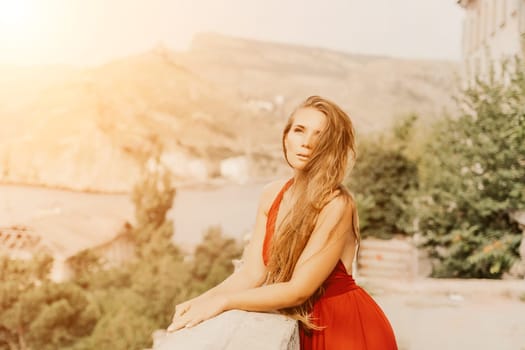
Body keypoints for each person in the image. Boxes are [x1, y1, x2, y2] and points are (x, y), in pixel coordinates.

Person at [167, 95, 398, 349]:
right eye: (299, 130)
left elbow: (299, 289)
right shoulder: (271, 195)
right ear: (286, 136)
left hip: (347, 330)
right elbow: (252, 274)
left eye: (320, 135)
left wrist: (225, 302)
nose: (307, 143)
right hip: (309, 327)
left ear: (332, 147)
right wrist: (201, 301)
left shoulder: (336, 204)